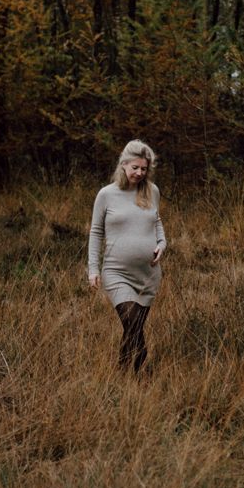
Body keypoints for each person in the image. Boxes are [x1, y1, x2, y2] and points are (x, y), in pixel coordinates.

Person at [87, 140, 168, 372]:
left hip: (148, 275)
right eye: (135, 167)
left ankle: (124, 375)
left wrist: (162, 244)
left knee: (132, 329)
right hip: (116, 273)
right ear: (123, 164)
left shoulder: (152, 191)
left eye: (144, 169)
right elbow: (96, 232)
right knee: (132, 324)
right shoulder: (106, 194)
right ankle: (144, 371)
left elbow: (157, 222)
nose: (139, 173)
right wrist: (93, 269)